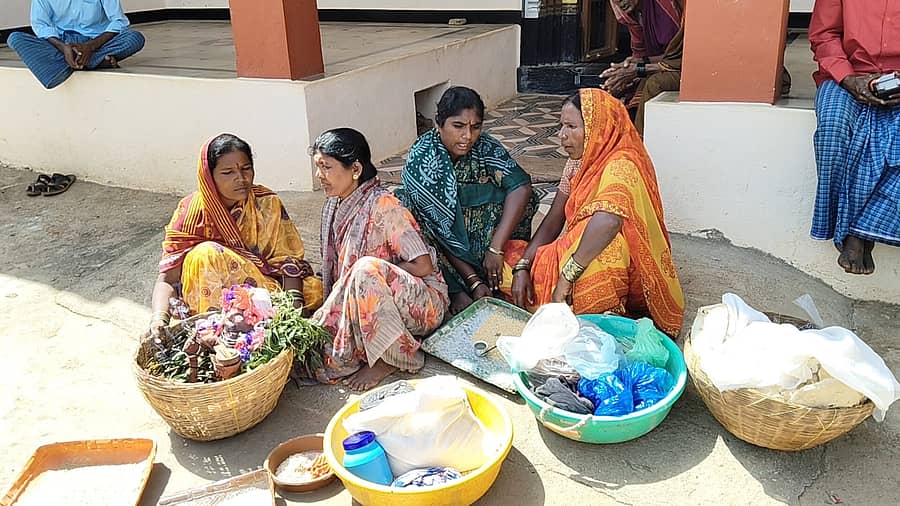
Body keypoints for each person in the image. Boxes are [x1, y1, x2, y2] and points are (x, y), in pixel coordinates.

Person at [506, 89, 685, 337]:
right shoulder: (578, 163)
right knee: (508, 263)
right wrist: (524, 265)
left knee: (605, 253)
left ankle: (596, 310)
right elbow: (554, 218)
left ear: (598, 127)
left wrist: (566, 278)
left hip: (623, 265)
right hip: (581, 250)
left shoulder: (622, 164)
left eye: (571, 126)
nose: (562, 136)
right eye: (561, 126)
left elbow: (608, 221)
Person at [312, 128, 449, 391]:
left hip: (424, 302)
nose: (320, 176)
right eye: (318, 167)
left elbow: (423, 265)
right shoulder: (334, 205)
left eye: (326, 167)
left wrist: (373, 277)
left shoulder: (385, 205)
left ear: (355, 169)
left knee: (364, 269)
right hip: (377, 299)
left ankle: (392, 359)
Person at [149, 134, 323, 337]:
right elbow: (167, 280)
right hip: (211, 295)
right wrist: (158, 319)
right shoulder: (191, 213)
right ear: (209, 176)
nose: (241, 179)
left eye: (246, 169)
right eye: (227, 172)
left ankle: (254, 321)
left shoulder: (266, 203)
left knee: (315, 290)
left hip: (260, 291)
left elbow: (288, 264)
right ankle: (214, 332)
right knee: (205, 254)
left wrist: (294, 314)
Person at [400, 86, 536, 315]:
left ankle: (490, 276)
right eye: (458, 126)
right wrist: (471, 279)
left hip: (485, 245)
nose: (467, 136)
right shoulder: (423, 156)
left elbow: (520, 186)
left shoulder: (485, 147)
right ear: (439, 124)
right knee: (405, 207)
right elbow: (439, 230)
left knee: (524, 199)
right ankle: (455, 288)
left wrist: (496, 248)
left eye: (476, 127)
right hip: (444, 252)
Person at [809, 0, 900, 275]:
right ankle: (853, 229)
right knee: (833, 127)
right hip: (845, 75)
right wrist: (849, 79)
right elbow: (824, 35)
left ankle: (858, 232)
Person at [6, 0, 145, 89]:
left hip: (97, 41)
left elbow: (119, 21)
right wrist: (63, 47)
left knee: (134, 38)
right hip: (61, 44)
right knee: (15, 38)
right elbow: (41, 25)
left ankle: (69, 63)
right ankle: (95, 61)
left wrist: (90, 46)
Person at [601, 0, 684, 133]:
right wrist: (626, 69)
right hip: (661, 65)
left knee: (654, 83)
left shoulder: (663, 8)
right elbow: (640, 56)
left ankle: (639, 142)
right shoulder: (633, 17)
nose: (620, 4)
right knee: (618, 89)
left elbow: (678, 56)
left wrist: (639, 68)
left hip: (684, 69)